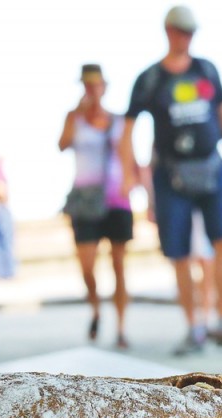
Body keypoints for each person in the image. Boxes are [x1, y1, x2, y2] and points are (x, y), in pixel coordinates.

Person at [118, 5, 222, 355]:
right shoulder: (149, 79)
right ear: (168, 31)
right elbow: (128, 129)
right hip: (170, 175)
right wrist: (130, 173)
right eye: (181, 31)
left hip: (210, 168)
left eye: (191, 32)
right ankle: (194, 327)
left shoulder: (206, 70)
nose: (186, 38)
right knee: (178, 254)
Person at [58, 63, 136, 349]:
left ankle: (121, 327)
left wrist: (136, 184)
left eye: (96, 84)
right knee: (88, 266)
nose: (92, 89)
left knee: (119, 266)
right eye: (87, 84)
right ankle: (95, 309)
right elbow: (62, 144)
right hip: (85, 198)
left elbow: (130, 155)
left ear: (105, 86)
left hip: (116, 198)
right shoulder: (73, 117)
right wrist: (78, 112)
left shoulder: (117, 120)